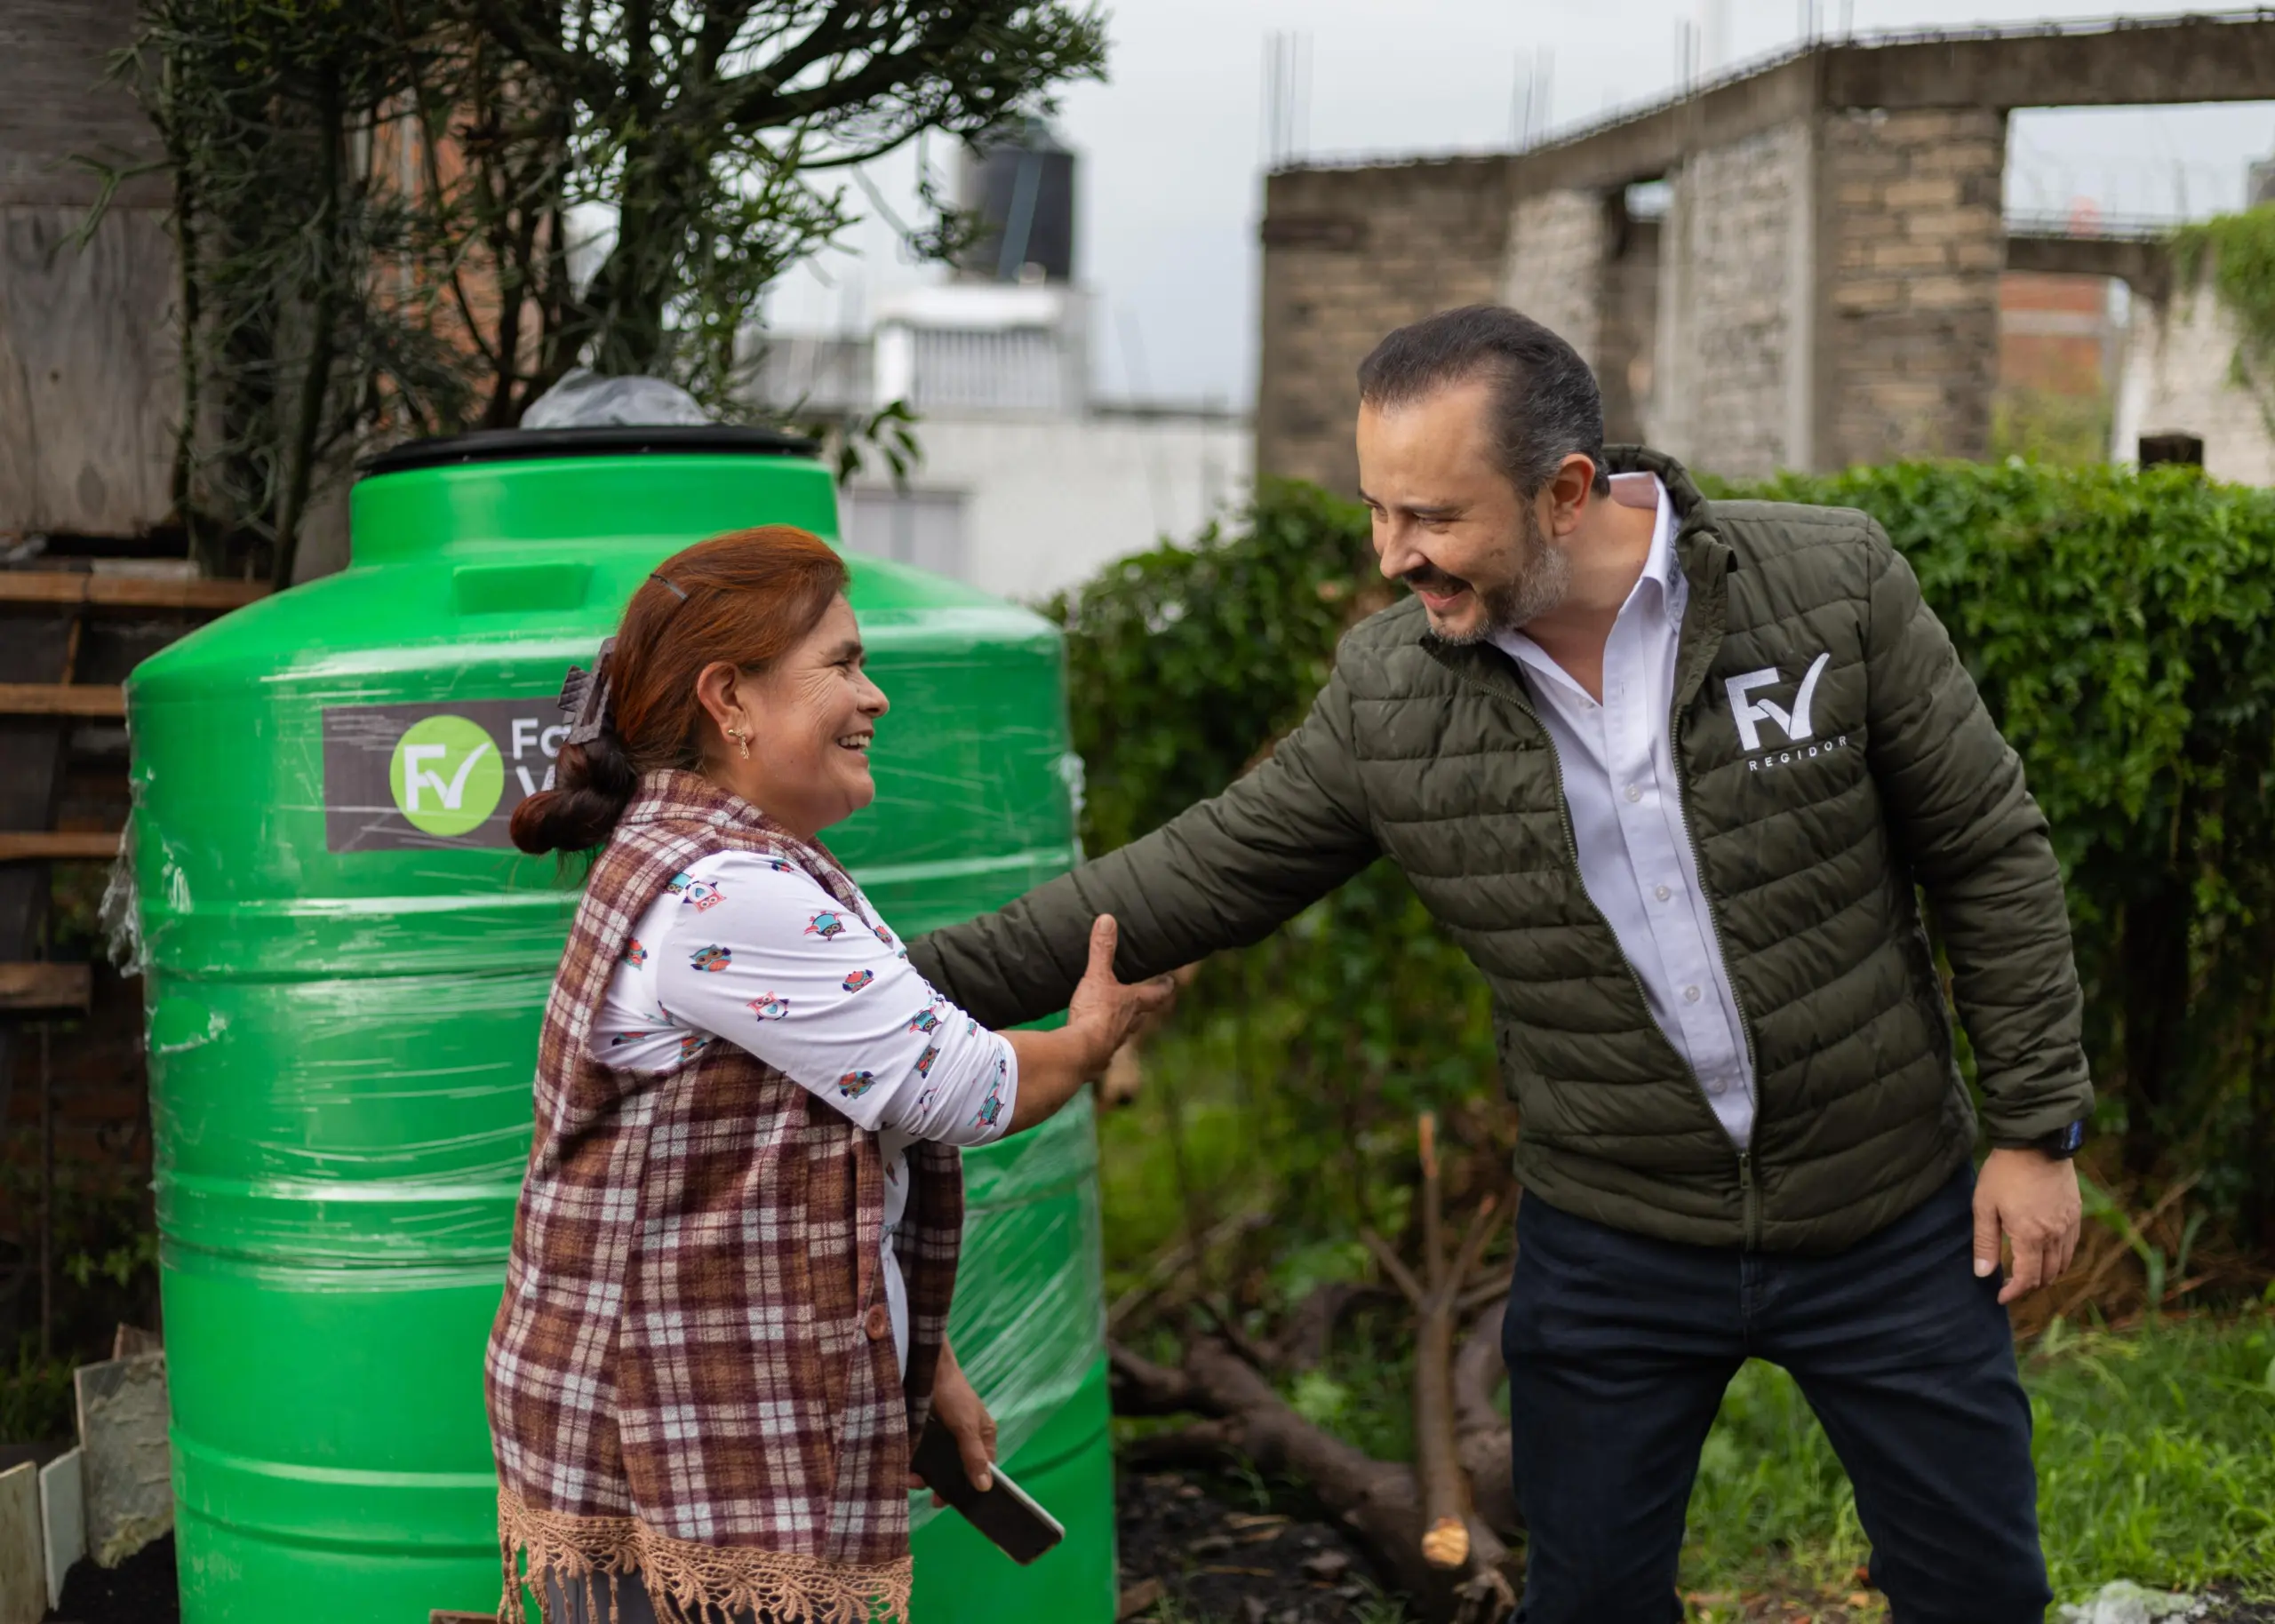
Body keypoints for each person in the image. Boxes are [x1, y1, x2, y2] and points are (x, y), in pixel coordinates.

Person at [909, 306, 2093, 1624]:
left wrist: (2035, 1130)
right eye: (1375, 511)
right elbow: (1180, 881)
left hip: (1889, 1212)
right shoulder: (1393, 696)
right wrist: (867, 994)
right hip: (1616, 1245)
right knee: (1586, 1604)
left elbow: (1987, 850)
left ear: (1566, 493)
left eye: (1430, 516)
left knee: (1980, 1590)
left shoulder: (1829, 588)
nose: (1392, 554)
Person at [486, 525, 1172, 1624]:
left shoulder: (726, 862)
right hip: (666, 1423)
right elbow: (965, 1085)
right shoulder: (722, 893)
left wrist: (918, 1352)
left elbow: (807, 1152)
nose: (877, 697)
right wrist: (1093, 1034)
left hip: (677, 1396)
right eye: (844, 664)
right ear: (731, 699)